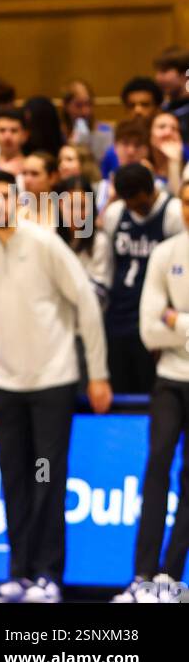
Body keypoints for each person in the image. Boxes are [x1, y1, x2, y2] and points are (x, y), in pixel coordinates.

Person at [0, 170, 111, 605]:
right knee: (14, 480)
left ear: (19, 201)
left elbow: (86, 303)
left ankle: (48, 576)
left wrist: (97, 373)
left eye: (3, 198)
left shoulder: (45, 243)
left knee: (48, 479)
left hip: (53, 380)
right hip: (6, 385)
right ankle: (18, 574)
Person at [114, 180, 189, 603]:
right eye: (188, 202)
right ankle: (142, 577)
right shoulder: (165, 253)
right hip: (170, 380)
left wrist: (175, 320)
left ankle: (171, 577)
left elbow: (164, 325)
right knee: (157, 467)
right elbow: (147, 330)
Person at [97, 162, 183, 393]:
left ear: (151, 190)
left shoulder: (173, 212)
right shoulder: (116, 214)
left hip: (153, 316)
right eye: (127, 202)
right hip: (118, 315)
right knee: (121, 388)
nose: (133, 207)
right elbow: (107, 263)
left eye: (138, 201)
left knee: (149, 390)